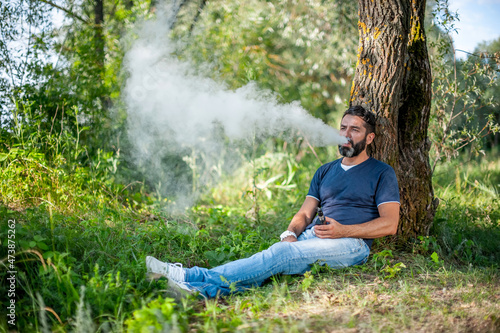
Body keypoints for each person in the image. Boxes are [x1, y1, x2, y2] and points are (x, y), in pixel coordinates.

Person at [146, 105, 400, 299]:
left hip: (351, 244)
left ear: (369, 138)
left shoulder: (381, 172)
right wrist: (290, 232)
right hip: (314, 237)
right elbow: (304, 214)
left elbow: (390, 224)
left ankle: (188, 276)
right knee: (273, 259)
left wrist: (343, 231)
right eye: (343, 128)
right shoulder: (325, 171)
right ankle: (201, 291)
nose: (346, 134)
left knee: (279, 255)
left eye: (355, 130)